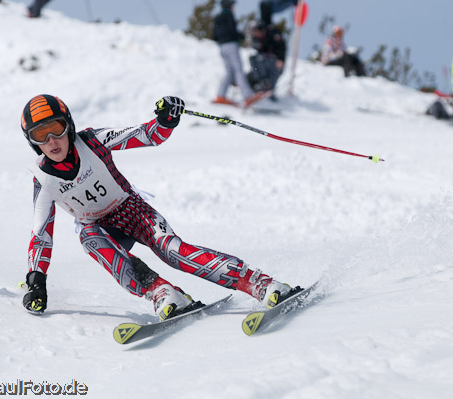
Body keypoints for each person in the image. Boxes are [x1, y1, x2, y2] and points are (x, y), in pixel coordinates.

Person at [20, 94, 302, 319]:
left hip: (131, 211)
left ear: (68, 125)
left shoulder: (93, 141)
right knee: (89, 238)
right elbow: (40, 235)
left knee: (173, 252)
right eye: (40, 135)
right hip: (99, 228)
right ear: (32, 142)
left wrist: (166, 120)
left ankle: (259, 283)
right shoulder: (43, 179)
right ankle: (163, 293)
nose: (51, 141)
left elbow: (148, 135)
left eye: (55, 129)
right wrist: (36, 281)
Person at [212, 0, 262, 107]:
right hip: (231, 45)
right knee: (238, 70)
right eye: (232, 5)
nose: (233, 7)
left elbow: (214, 35)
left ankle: (220, 95)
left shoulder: (218, 18)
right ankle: (248, 96)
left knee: (229, 71)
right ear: (229, 6)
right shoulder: (229, 16)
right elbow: (232, 32)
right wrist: (241, 36)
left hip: (222, 47)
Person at [246, 20, 286, 97]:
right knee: (253, 64)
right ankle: (258, 85)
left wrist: (281, 59)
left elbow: (281, 45)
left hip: (275, 62)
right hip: (266, 63)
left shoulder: (272, 34)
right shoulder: (259, 40)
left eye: (256, 32)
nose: (255, 34)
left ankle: (265, 85)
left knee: (257, 60)